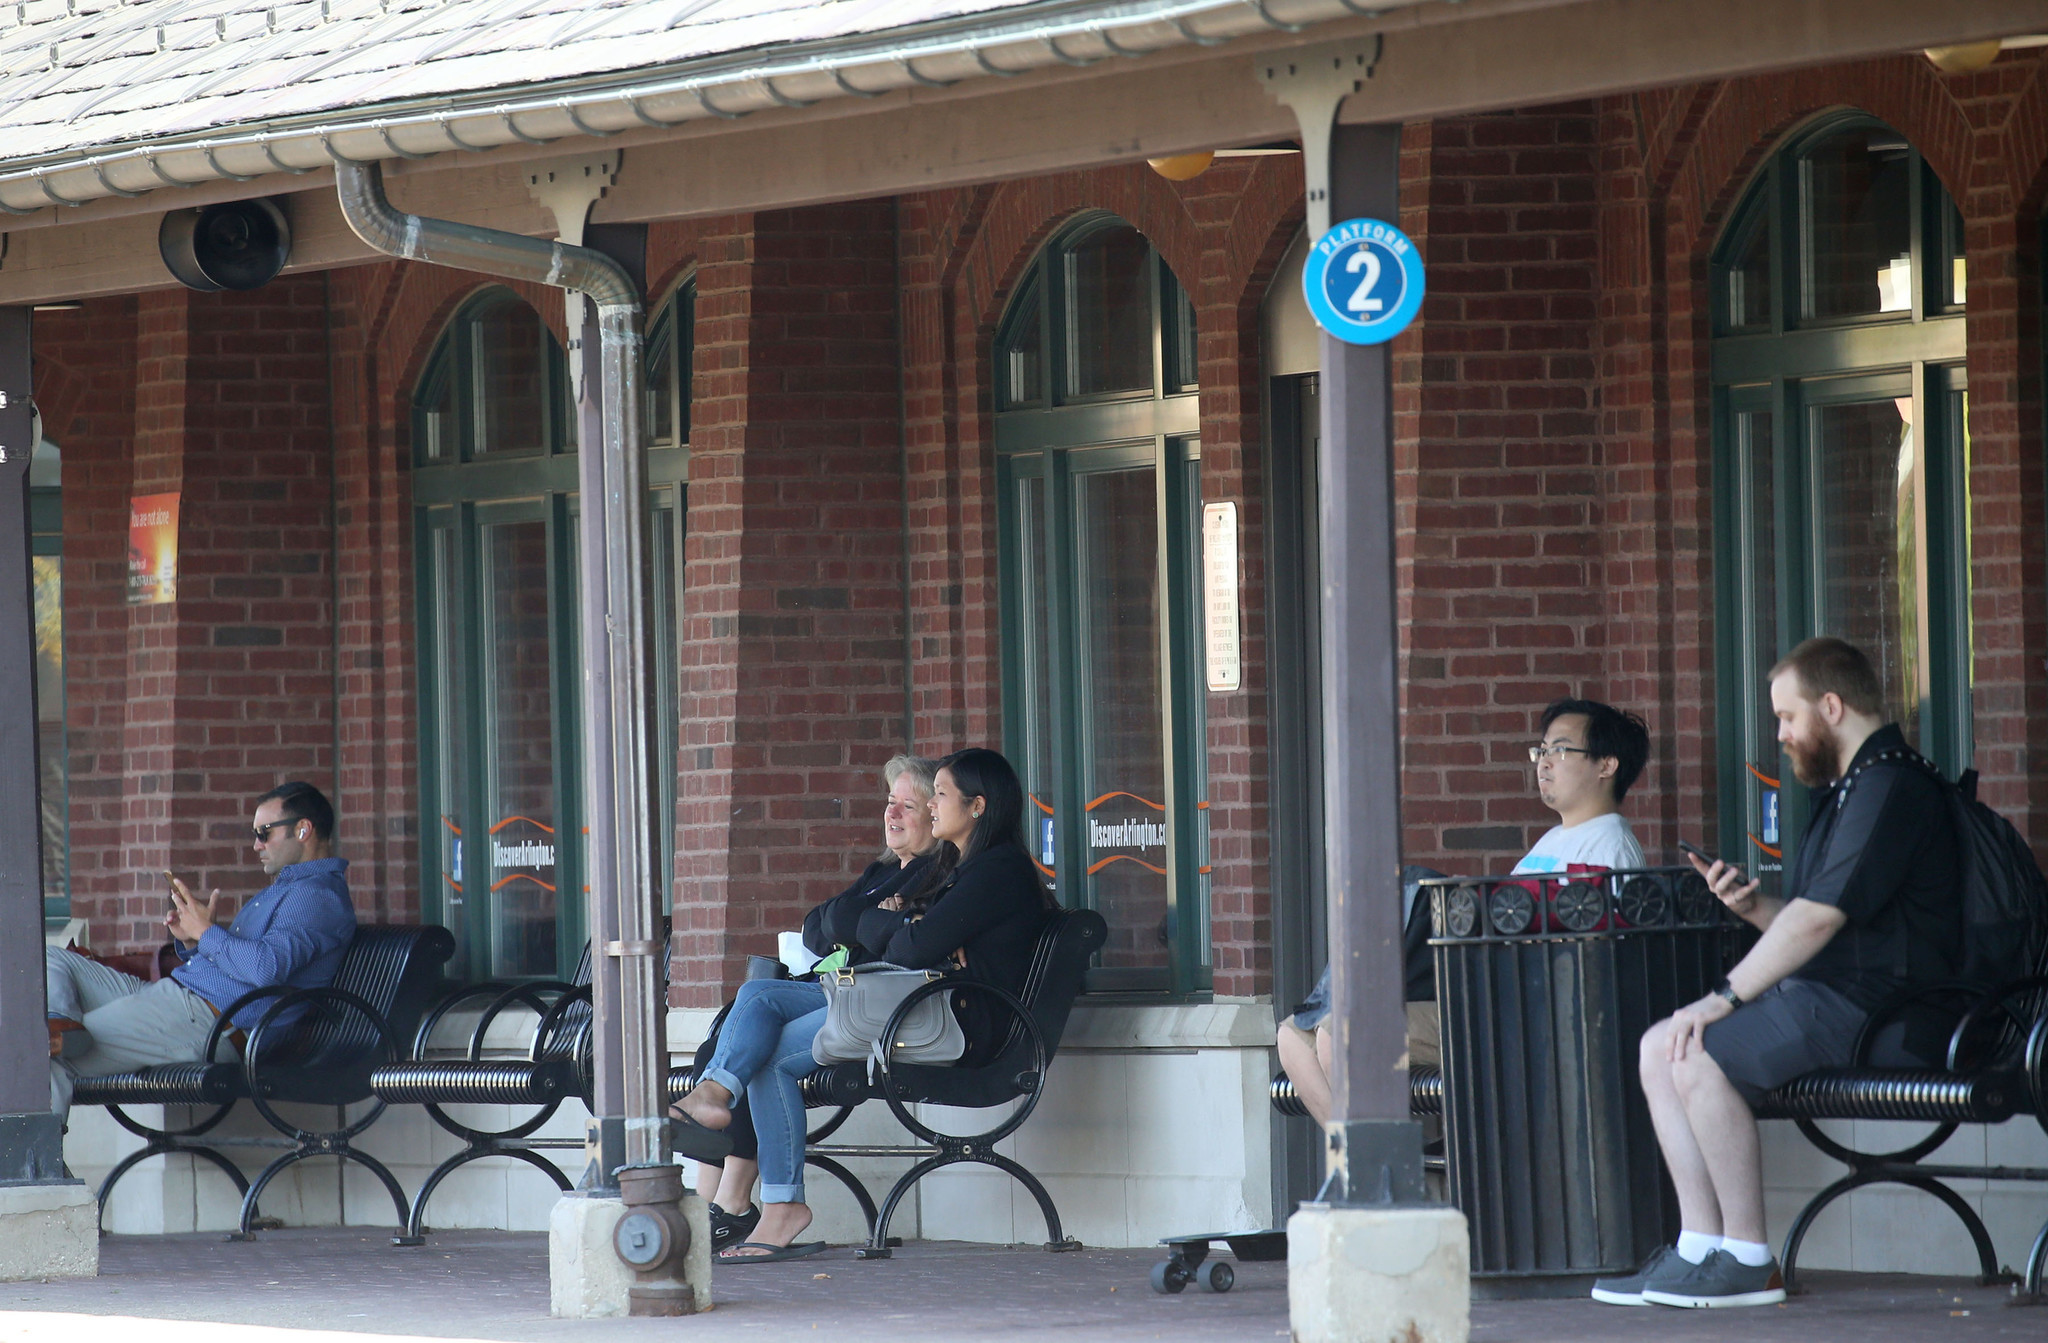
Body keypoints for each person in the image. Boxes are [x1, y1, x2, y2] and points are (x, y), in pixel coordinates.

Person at [1593, 637, 1960, 1309]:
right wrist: (1755, 904)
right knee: (1659, 1047)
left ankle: (1750, 1257)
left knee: (1697, 1052)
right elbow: (1818, 922)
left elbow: (1818, 924)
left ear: (1831, 704)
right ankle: (1701, 1245)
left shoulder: (1890, 785)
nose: (1782, 735)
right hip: (1843, 997)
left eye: (1788, 718)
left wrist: (1722, 996)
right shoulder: (1850, 787)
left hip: (1893, 1015)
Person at [671, 746, 1054, 1261]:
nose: (933, 806)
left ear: (978, 807)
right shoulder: (970, 867)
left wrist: (901, 929)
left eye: (938, 796)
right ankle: (715, 1092)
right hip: (918, 1001)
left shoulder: (996, 871)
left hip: (954, 1022)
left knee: (771, 1060)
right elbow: (903, 939)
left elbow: (910, 947)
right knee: (759, 993)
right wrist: (904, 928)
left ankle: (781, 1205)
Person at [1278, 697, 1652, 1128]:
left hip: (1519, 1017)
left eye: (1561, 750)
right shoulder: (1553, 841)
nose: (1544, 763)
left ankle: (1381, 1178)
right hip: (1479, 999)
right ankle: (1360, 1174)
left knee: (1339, 1036)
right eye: (1542, 750)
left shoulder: (1609, 847)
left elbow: (1593, 958)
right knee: (1293, 1035)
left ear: (1607, 765)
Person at [690, 753, 943, 1252]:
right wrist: (860, 918)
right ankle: (710, 1200)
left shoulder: (933, 876)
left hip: (882, 1012)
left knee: (755, 1053)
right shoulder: (883, 872)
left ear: (936, 817)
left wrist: (855, 921)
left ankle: (731, 1204)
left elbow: (888, 944)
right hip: (838, 996)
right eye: (890, 802)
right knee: (742, 1013)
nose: (891, 814)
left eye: (907, 807)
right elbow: (818, 924)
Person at [45, 781, 357, 1125]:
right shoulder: (290, 889)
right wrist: (194, 943)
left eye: (264, 833)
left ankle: (38, 1167)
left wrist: (207, 933)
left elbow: (266, 969)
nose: (256, 845)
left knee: (43, 1055)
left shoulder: (315, 897)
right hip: (180, 1000)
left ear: (303, 829)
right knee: (50, 958)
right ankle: (60, 1022)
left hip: (208, 1022)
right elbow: (243, 967)